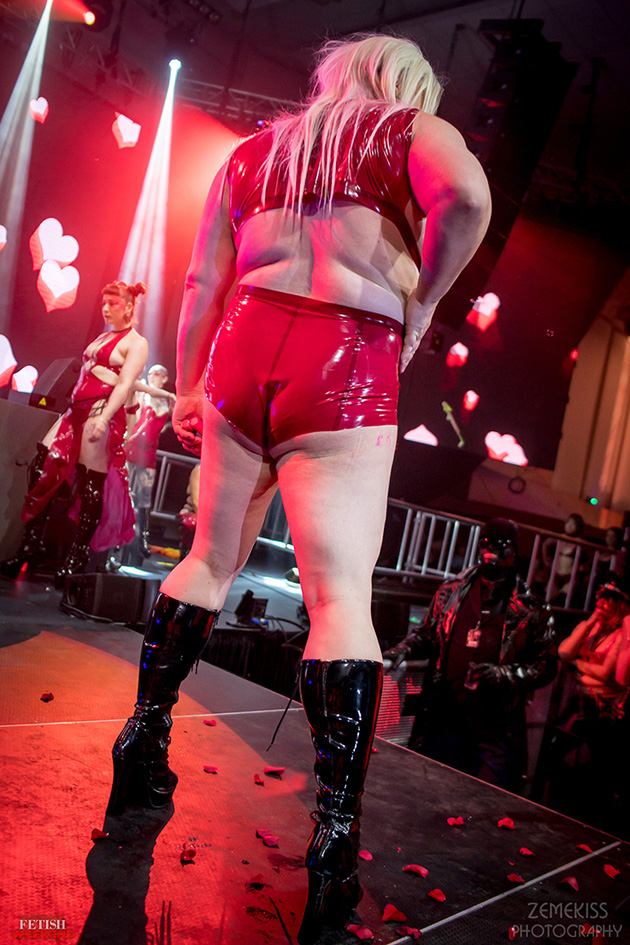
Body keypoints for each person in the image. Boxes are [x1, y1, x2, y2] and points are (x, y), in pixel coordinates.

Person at [106, 33, 491, 943]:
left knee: (208, 558)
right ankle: (333, 838)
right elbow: (470, 198)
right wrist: (426, 298)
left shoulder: (255, 151)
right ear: (403, 85)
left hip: (244, 344)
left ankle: (142, 742)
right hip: (346, 350)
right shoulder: (407, 132)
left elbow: (202, 276)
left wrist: (192, 385)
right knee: (340, 598)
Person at [384, 519, 557, 793]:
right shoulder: (451, 591)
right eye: (487, 542)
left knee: (487, 798)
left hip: (493, 724)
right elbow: (427, 634)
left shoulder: (531, 607)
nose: (492, 549)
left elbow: (546, 666)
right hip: (444, 714)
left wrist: (502, 674)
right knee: (430, 792)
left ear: (514, 551)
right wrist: (400, 652)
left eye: (502, 544)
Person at [1, 281, 149, 583]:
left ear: (129, 307)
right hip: (75, 410)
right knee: (41, 466)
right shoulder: (105, 335)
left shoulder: (137, 343)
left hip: (100, 412)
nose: (105, 309)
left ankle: (76, 559)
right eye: (104, 303)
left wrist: (104, 418)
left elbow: (125, 384)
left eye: (112, 304)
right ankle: (31, 544)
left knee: (90, 484)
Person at [548, 581, 630, 827]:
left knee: (596, 763)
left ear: (619, 605)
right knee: (557, 751)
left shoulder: (621, 635)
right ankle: (561, 805)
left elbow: (607, 674)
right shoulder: (592, 628)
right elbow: (564, 652)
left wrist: (577, 665)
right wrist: (591, 620)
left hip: (601, 708)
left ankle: (589, 815)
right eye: (600, 597)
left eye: (608, 599)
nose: (601, 602)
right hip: (579, 702)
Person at [123, 364, 175, 561]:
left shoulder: (167, 403)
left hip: (148, 456)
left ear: (165, 378)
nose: (153, 377)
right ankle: (120, 540)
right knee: (125, 495)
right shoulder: (144, 392)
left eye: (158, 374)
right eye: (152, 373)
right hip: (132, 451)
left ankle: (141, 540)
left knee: (143, 501)